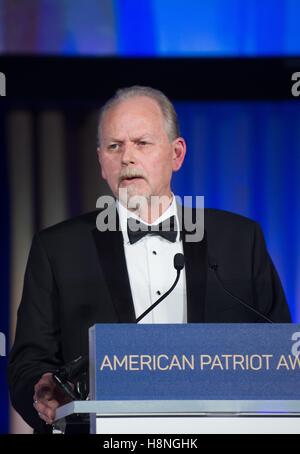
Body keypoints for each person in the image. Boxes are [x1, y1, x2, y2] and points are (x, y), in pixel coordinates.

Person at [8, 86, 291, 433]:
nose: (127, 157)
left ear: (176, 154)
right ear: (101, 162)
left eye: (142, 143)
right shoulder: (58, 249)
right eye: (115, 146)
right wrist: (42, 390)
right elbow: (28, 364)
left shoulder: (239, 240)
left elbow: (280, 355)